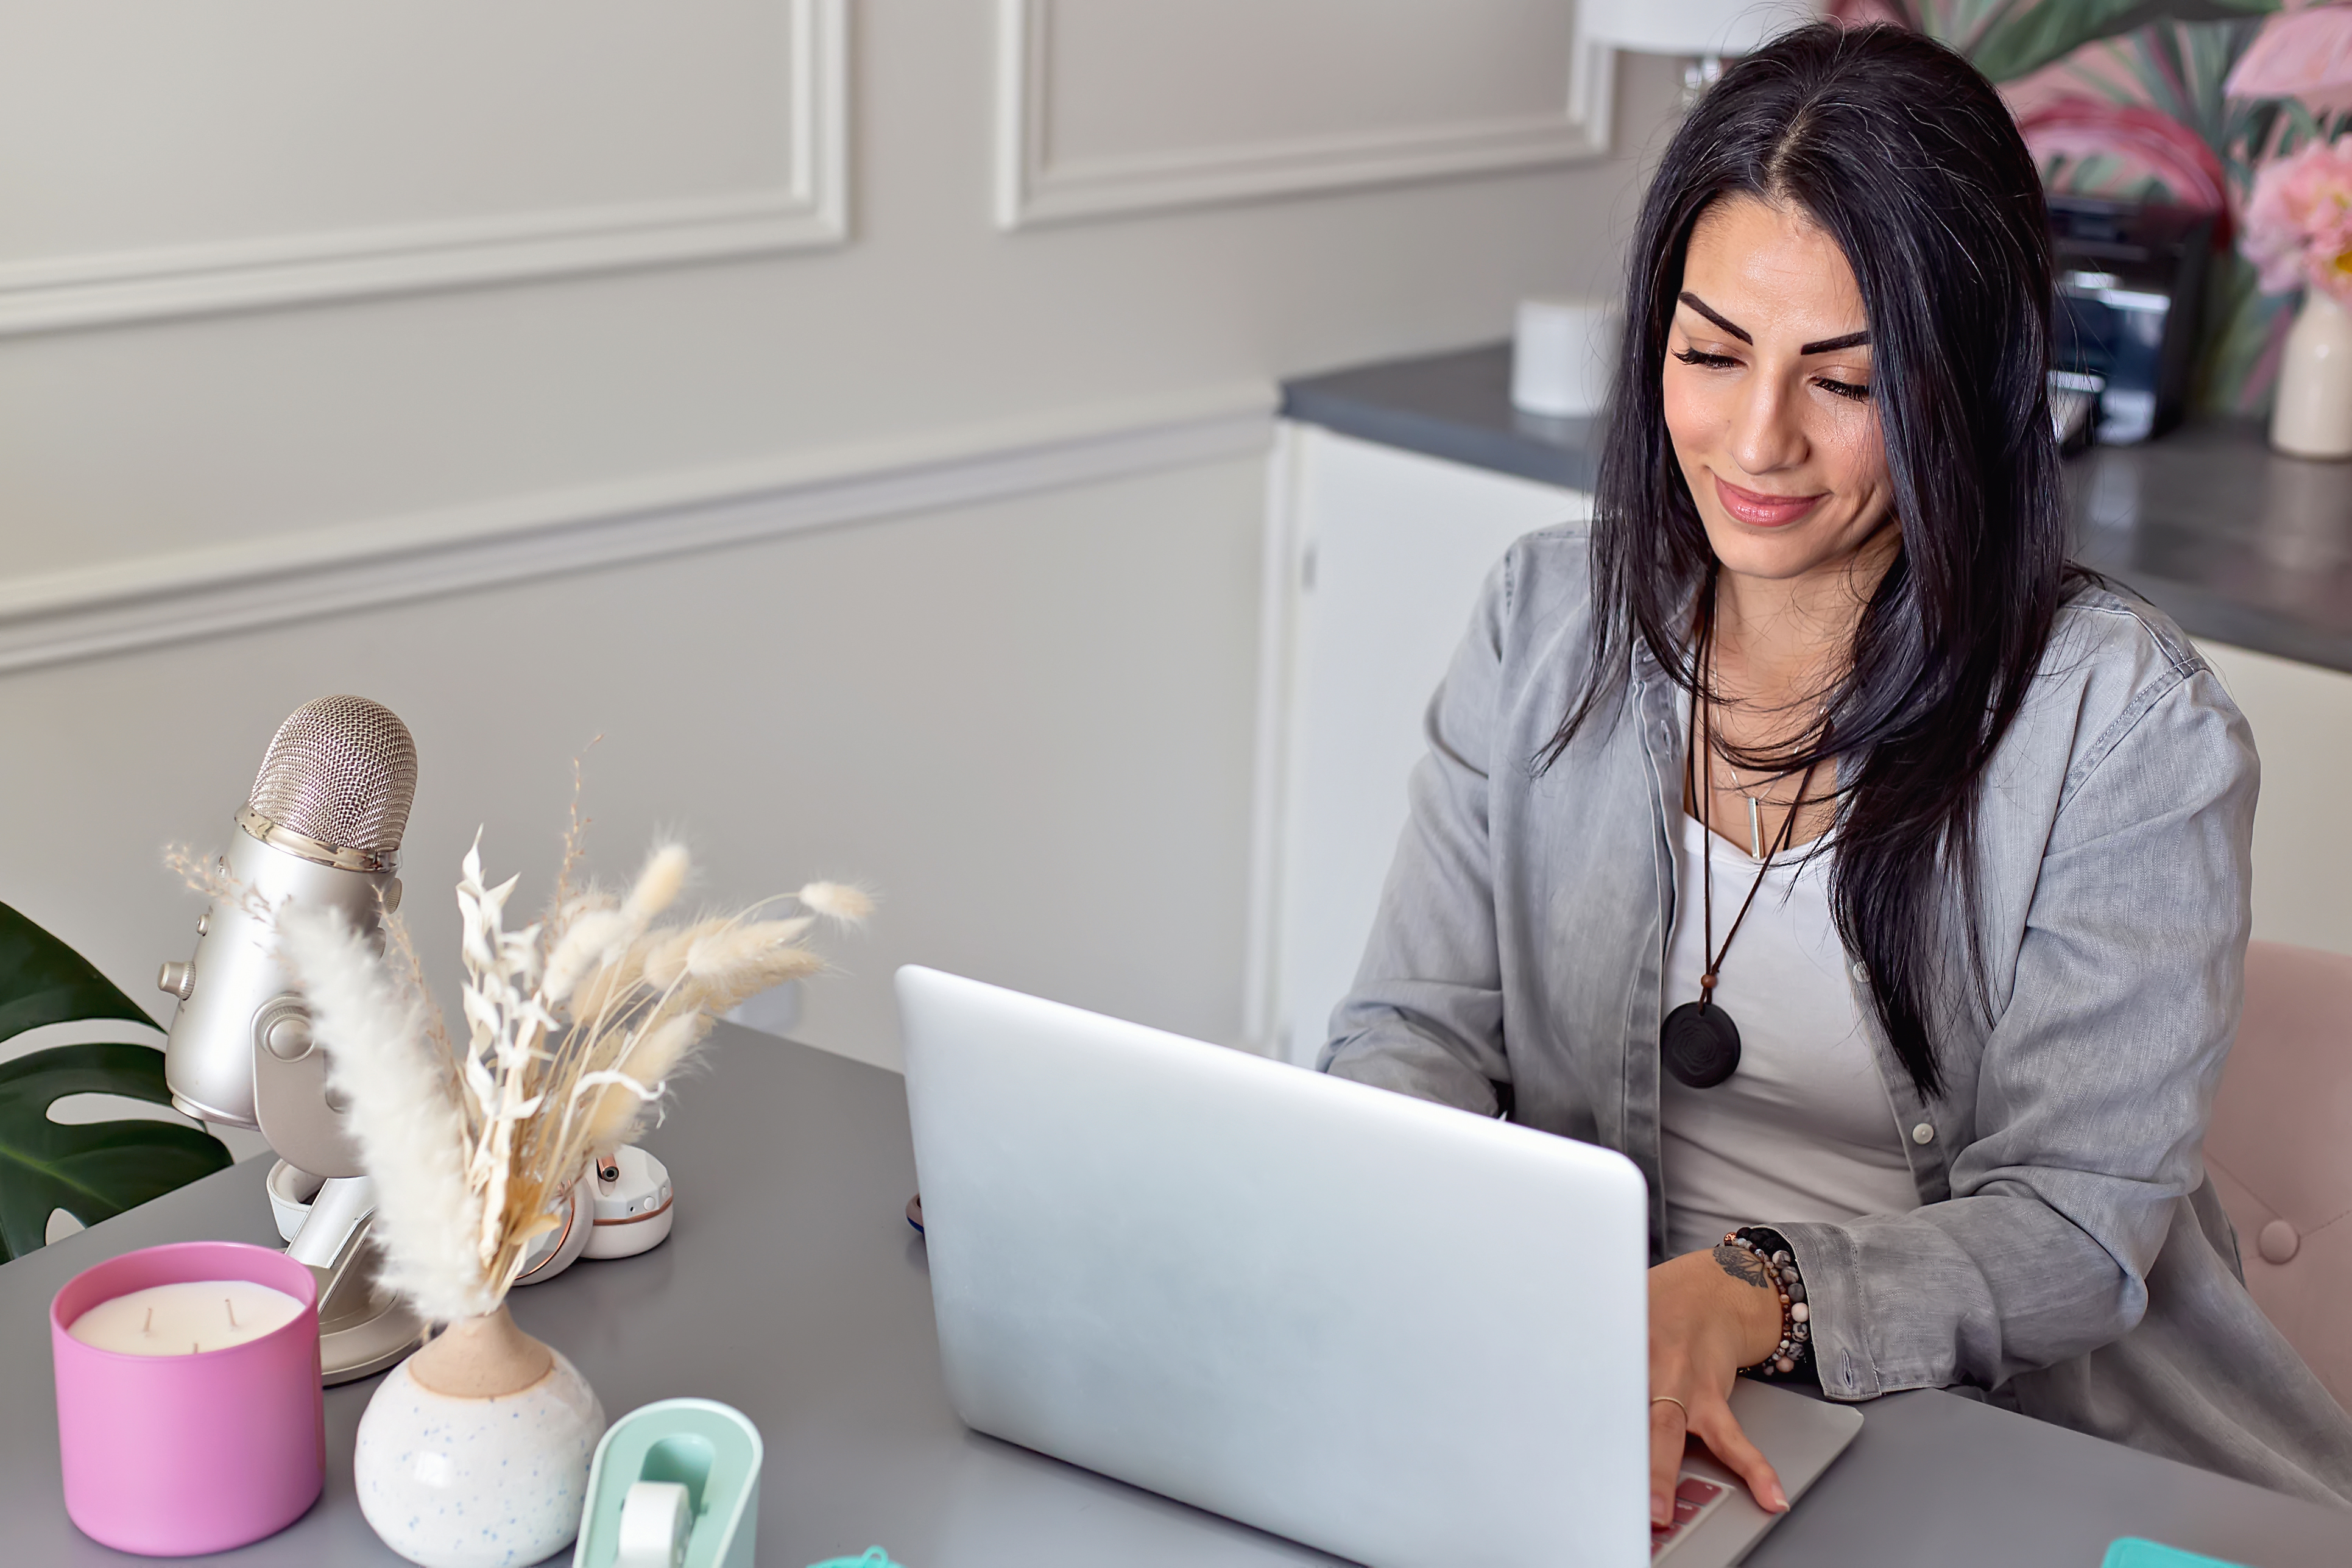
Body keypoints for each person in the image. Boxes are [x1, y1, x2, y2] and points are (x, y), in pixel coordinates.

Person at [1319, 21, 2352, 1528]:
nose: (1755, 440)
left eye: (1843, 381)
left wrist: (1755, 1296)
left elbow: (2075, 1228)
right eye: (1707, 352)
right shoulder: (1541, 621)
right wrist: (1301, 1197)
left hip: (2022, 1454)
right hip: (1633, 1405)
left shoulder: (2125, 730)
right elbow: (1412, 1029)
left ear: (1963, 381)